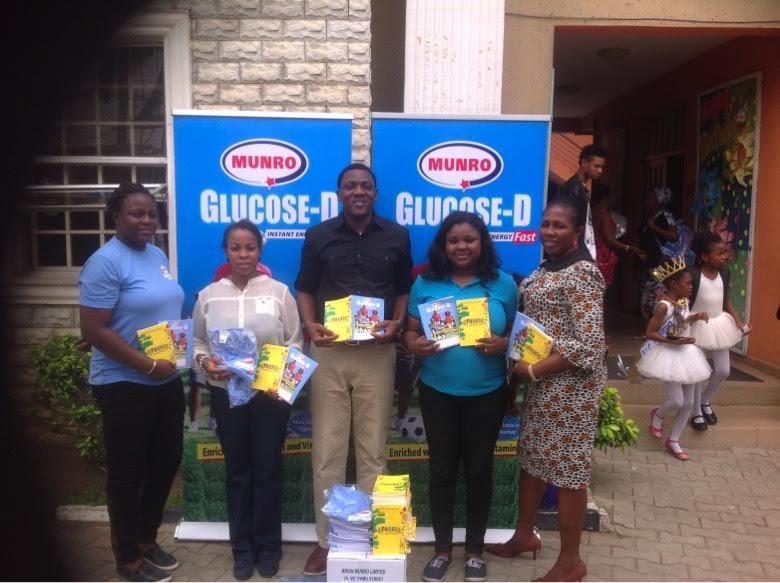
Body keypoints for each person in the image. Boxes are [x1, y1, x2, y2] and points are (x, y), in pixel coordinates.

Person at [295, 162, 413, 576]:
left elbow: (403, 290)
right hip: (329, 351)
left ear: (375, 193)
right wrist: (309, 327)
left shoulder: (396, 236)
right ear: (340, 193)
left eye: (365, 185)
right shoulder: (318, 235)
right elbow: (305, 287)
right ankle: (327, 542)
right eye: (350, 186)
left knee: (372, 451)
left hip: (377, 353)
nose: (358, 191)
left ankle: (367, 537)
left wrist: (398, 324)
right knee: (327, 451)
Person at [485, 198, 606, 583]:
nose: (550, 232)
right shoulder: (546, 268)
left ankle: (571, 562)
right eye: (546, 224)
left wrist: (532, 371)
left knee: (569, 474)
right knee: (533, 460)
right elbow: (533, 331)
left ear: (575, 233)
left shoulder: (583, 273)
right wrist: (516, 380)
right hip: (540, 386)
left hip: (572, 390)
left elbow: (589, 345)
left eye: (559, 226)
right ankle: (524, 535)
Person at [404, 212, 517, 583]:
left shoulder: (502, 285)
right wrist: (416, 345)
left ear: (482, 242)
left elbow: (517, 335)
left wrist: (503, 344)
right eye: (454, 240)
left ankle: (474, 552)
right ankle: (441, 551)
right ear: (443, 245)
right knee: (441, 471)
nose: (462, 246)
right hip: (438, 391)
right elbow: (410, 332)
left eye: (469, 239)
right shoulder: (426, 283)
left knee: (479, 471)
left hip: (487, 393)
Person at [78, 182, 184, 583]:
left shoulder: (156, 254)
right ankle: (127, 560)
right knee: (128, 474)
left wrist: (169, 360)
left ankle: (145, 540)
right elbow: (93, 328)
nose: (146, 220)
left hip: (164, 379)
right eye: (137, 214)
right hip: (125, 384)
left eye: (151, 214)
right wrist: (145, 365)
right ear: (116, 217)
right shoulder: (105, 261)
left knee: (164, 464)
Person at [191, 219, 303, 580]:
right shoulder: (208, 296)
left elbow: (296, 342)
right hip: (227, 394)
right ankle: (242, 549)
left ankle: (269, 548)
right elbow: (197, 344)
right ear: (226, 250)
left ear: (260, 250)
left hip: (269, 396)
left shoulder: (279, 293)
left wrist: (279, 383)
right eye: (236, 248)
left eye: (250, 247)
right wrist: (206, 363)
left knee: (268, 471)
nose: (243, 254)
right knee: (238, 473)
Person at [639, 258, 711, 461]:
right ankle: (658, 414)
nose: (691, 287)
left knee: (688, 402)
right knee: (677, 400)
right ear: (673, 284)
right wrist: (675, 342)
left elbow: (680, 323)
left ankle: (674, 440)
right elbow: (650, 333)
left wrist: (694, 318)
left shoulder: (684, 302)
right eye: (688, 283)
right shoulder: (663, 306)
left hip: (688, 355)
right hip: (669, 355)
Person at [688, 232, 751, 430]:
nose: (725, 256)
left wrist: (739, 324)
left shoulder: (725, 273)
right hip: (697, 324)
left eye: (725, 252)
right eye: (719, 253)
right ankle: (696, 412)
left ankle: (706, 400)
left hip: (719, 324)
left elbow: (726, 300)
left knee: (723, 370)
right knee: (699, 373)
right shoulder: (693, 275)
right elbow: (684, 303)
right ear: (704, 256)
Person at [555, 143, 608, 261]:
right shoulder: (573, 189)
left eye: (602, 167)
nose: (600, 171)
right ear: (584, 163)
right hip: (574, 253)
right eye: (596, 166)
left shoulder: (581, 188)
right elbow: (568, 224)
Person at [591, 183, 646, 287]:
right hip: (602, 256)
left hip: (592, 252)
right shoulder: (604, 214)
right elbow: (609, 239)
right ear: (605, 198)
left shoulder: (591, 211)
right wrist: (629, 248)